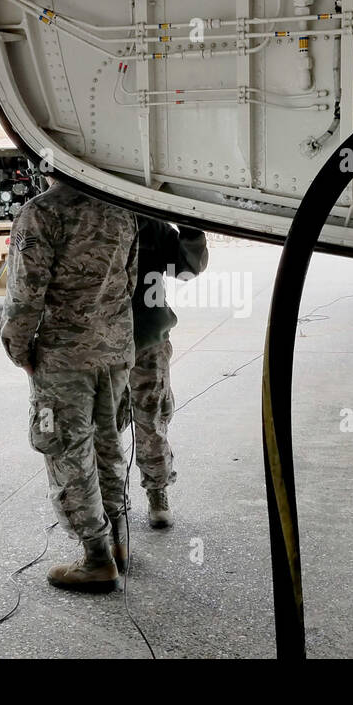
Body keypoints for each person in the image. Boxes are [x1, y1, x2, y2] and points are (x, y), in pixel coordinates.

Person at [0, 178, 138, 592]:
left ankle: (96, 558)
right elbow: (129, 281)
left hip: (65, 359)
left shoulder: (42, 211)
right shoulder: (121, 205)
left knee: (67, 450)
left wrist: (19, 350)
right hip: (114, 350)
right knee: (108, 444)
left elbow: (25, 294)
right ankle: (118, 543)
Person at [130, 216, 208, 528]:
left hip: (146, 340)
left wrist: (190, 223)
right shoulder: (89, 218)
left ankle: (156, 493)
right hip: (97, 346)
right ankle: (110, 505)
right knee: (101, 428)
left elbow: (186, 268)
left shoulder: (148, 225)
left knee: (151, 420)